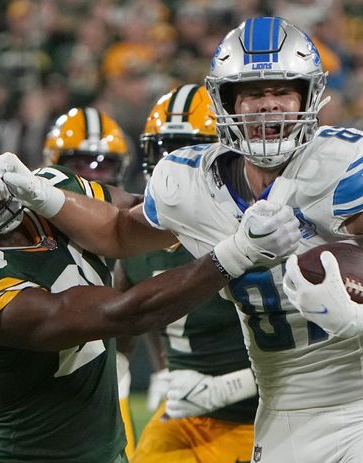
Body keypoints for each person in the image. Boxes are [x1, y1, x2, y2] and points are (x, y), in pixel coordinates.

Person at [0, 17, 363, 463]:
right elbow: (117, 232)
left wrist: (358, 317)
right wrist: (44, 195)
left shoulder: (348, 167)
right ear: (226, 104)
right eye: (252, 93)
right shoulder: (188, 181)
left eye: (282, 91)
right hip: (282, 417)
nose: (270, 104)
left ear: (308, 97)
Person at [0, 136, 299, 462]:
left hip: (106, 451)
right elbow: (123, 313)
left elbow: (146, 216)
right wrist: (236, 253)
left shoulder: (42, 192)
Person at [116, 83, 257, 462]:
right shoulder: (137, 237)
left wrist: (230, 387)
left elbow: (319, 346)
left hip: (266, 414)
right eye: (161, 149)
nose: (171, 163)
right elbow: (121, 331)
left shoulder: (254, 227)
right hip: (187, 416)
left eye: (184, 148)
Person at [43, 106, 138, 458]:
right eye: (78, 164)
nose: (89, 176)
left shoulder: (131, 224)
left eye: (102, 165)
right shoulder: (28, 225)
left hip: (104, 373)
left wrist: (126, 362)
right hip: (37, 375)